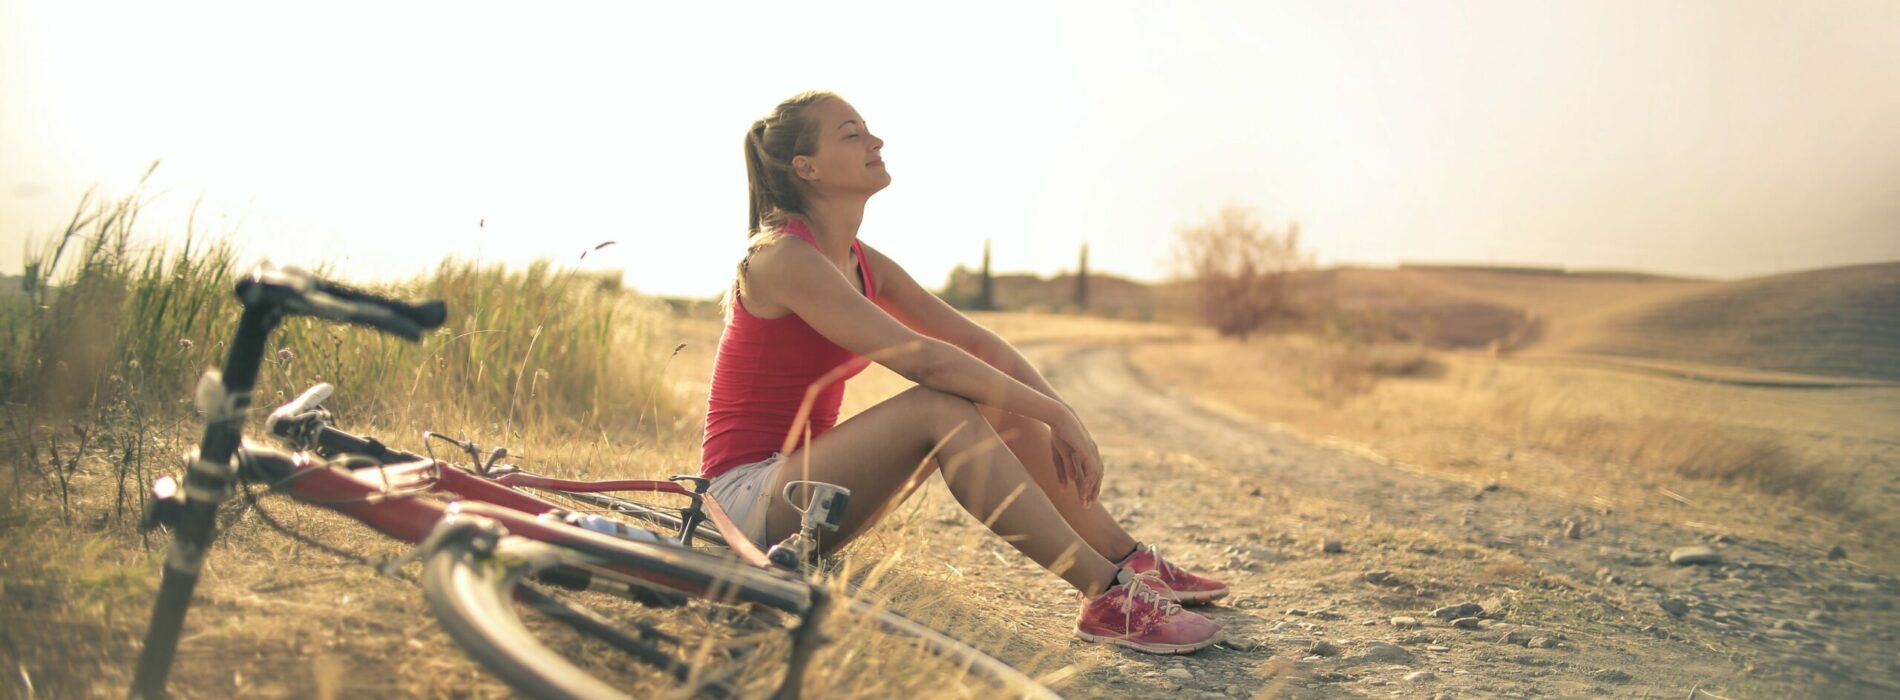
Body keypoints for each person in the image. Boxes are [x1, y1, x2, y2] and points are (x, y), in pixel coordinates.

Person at [701, 91, 1227, 654]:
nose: (874, 141)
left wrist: (1059, 414)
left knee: (1000, 397)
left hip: (810, 497)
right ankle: (1105, 594)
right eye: (851, 134)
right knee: (941, 405)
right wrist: (1053, 412)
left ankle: (1130, 561)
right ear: (806, 168)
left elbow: (974, 341)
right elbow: (922, 357)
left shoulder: (860, 260)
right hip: (742, 503)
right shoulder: (782, 258)